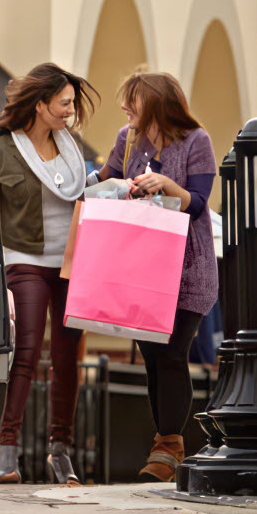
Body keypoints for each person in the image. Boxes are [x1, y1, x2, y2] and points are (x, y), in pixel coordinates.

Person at [93, 70, 217, 482]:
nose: (125, 107)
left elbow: (197, 205)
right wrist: (112, 186)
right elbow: (105, 180)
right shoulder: (126, 139)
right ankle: (165, 448)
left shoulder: (197, 142)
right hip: (140, 267)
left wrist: (166, 184)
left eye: (133, 100)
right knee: (151, 359)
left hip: (187, 269)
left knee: (171, 354)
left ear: (157, 103)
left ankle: (168, 448)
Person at [0, 63, 97, 486]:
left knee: (68, 358)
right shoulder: (2, 148)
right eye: (64, 103)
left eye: (72, 103)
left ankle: (61, 451)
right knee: (29, 349)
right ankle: (7, 446)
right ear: (40, 105)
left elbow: (83, 194)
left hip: (73, 261)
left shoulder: (71, 149)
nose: (71, 111)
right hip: (25, 258)